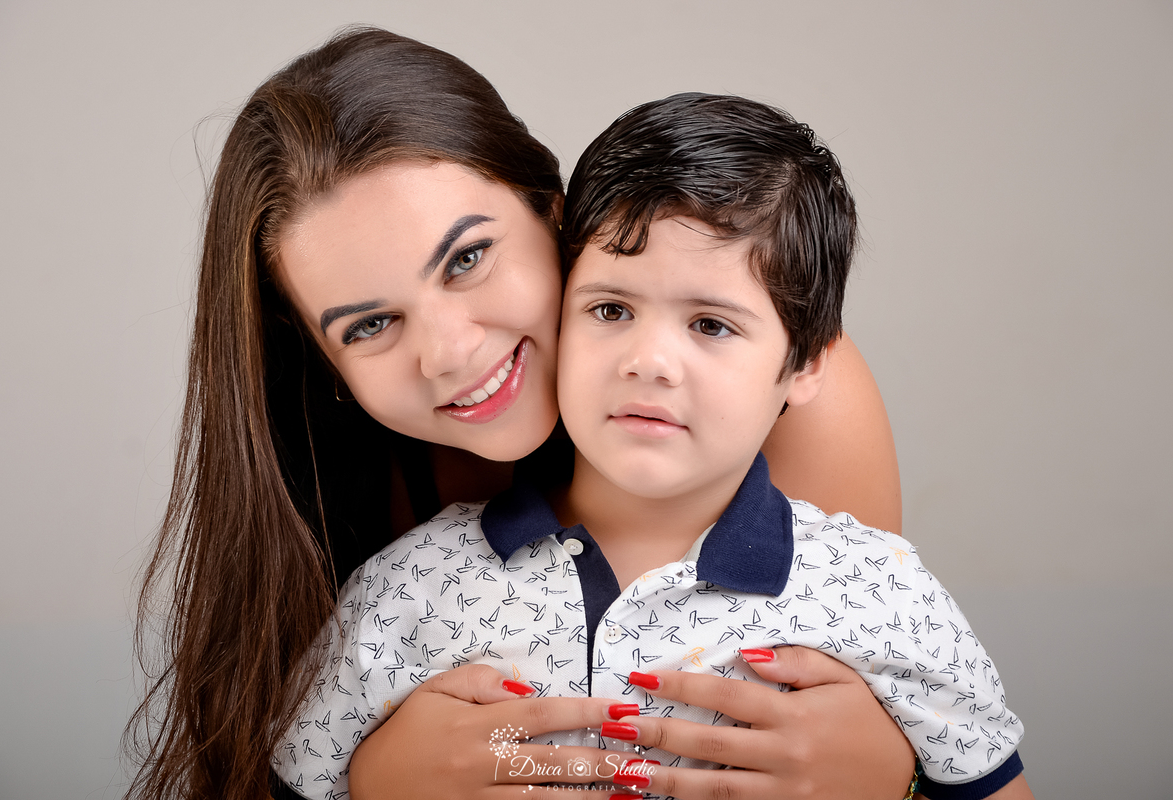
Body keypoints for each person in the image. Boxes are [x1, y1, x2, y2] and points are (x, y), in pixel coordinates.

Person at [126, 27, 913, 800]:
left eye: (467, 258)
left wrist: (898, 773)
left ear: (554, 214)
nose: (449, 352)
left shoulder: (790, 403)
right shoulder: (365, 511)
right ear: (324, 364)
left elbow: (872, 692)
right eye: (369, 325)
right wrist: (370, 781)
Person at [269, 93, 1030, 800]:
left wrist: (892, 776)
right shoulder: (404, 590)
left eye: (711, 325)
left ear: (805, 365)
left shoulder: (882, 592)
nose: (648, 360)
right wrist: (373, 780)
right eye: (609, 309)